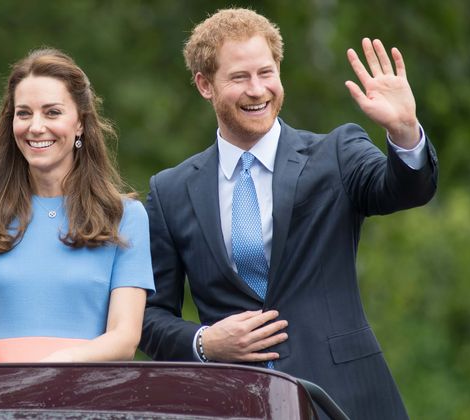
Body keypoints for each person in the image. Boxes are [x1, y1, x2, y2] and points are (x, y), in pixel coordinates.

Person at [140, 8, 436, 419]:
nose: (257, 90)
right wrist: (205, 342)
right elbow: (149, 316)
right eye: (239, 77)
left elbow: (404, 190)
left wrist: (405, 132)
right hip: (233, 403)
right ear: (205, 85)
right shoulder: (170, 191)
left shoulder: (336, 152)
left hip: (347, 398)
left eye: (266, 73)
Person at [0, 48, 154, 363]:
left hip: (89, 397)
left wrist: (53, 369)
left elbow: (124, 338)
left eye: (52, 112)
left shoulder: (125, 217)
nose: (36, 126)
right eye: (24, 113)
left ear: (81, 123)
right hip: (0, 400)